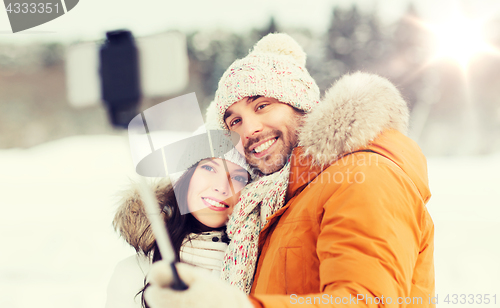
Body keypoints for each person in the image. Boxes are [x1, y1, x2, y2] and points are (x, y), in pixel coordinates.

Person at [144, 33, 435, 308]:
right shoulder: (276, 199)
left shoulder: (362, 176)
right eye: (234, 122)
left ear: (303, 105)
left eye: (262, 105)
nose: (249, 130)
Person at [105, 135, 251, 308]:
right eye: (209, 168)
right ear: (185, 177)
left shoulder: (258, 265)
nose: (221, 186)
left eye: (239, 178)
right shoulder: (133, 273)